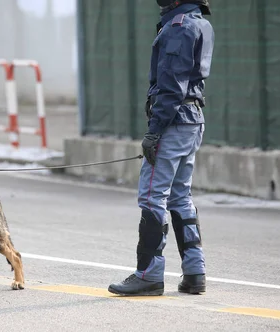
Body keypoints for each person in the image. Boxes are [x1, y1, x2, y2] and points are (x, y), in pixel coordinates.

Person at [108, 0, 214, 296]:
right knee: (180, 197)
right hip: (192, 120)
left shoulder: (179, 27)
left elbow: (172, 85)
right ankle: (195, 273)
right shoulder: (199, 23)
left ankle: (149, 275)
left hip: (174, 122)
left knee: (152, 197)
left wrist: (154, 132)